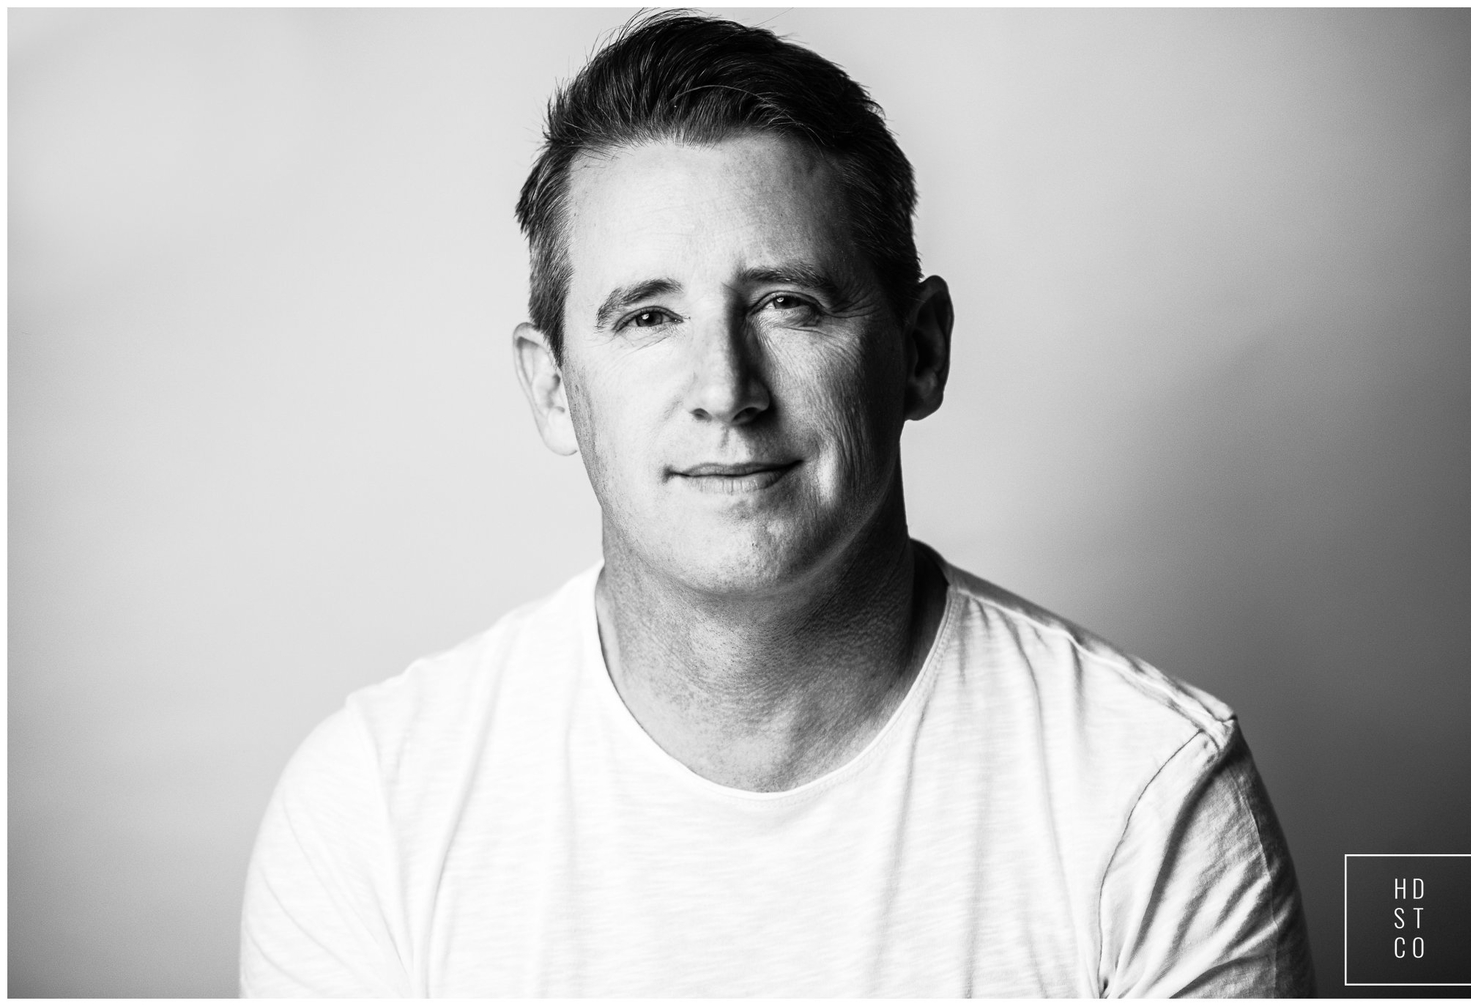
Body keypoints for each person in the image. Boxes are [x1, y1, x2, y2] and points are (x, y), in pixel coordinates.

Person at [239, 12, 1314, 997]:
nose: (726, 390)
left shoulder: (1145, 798)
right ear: (555, 388)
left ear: (920, 353)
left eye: (787, 304)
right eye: (648, 318)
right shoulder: (374, 811)